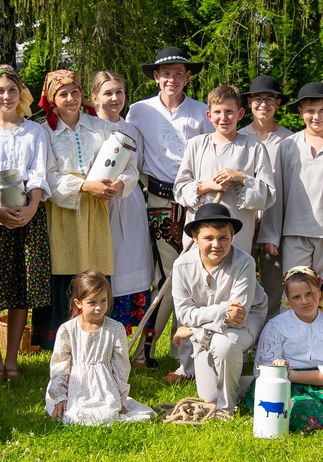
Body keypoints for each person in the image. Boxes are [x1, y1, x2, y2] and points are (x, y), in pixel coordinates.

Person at [34, 69, 136, 350]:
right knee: (66, 269)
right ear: (52, 99)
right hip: (64, 212)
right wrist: (84, 187)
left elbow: (128, 166)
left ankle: (98, 337)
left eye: (75, 92)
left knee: (95, 269)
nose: (70, 98)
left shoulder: (101, 127)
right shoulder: (45, 131)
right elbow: (48, 175)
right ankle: (63, 342)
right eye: (63, 93)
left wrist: (116, 184)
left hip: (96, 212)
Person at [125, 46, 212, 372]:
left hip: (196, 200)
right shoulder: (139, 111)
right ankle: (146, 349)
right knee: (168, 275)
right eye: (166, 73)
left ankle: (185, 351)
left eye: (178, 73)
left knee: (192, 274)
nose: (171, 79)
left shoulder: (202, 111)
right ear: (156, 77)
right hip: (159, 199)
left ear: (187, 76)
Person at [0, 64, 51, 377]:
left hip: (28, 212)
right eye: (0, 90)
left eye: (12, 90)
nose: (6, 96)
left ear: (21, 93)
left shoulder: (34, 130)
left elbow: (40, 170)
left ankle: (13, 359)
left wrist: (31, 206)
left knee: (21, 287)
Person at [258, 81, 323, 321]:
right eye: (310, 110)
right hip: (295, 232)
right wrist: (271, 234)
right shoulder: (288, 146)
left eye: (322, 110)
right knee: (293, 293)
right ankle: (291, 347)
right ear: (300, 112)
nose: (316, 116)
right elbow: (277, 193)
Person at [244, 266, 323, 431]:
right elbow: (264, 370)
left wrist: (293, 374)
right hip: (286, 385)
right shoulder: (276, 326)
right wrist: (279, 367)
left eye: (309, 294)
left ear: (319, 292)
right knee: (298, 407)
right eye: (296, 297)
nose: (304, 301)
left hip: (322, 385)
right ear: (288, 300)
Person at [172, 203, 268, 419]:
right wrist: (223, 310)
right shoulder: (181, 266)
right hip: (209, 325)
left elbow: (238, 316)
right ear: (195, 238)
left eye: (223, 238)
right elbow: (184, 314)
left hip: (246, 320)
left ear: (232, 236)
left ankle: (227, 409)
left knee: (225, 343)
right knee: (208, 395)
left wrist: (196, 331)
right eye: (209, 238)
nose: (216, 244)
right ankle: (264, 382)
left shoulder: (245, 262)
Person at [89, 71, 154, 344]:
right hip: (93, 205)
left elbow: (135, 169)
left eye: (119, 92)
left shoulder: (132, 130)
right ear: (94, 98)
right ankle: (96, 337)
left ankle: (128, 339)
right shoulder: (87, 128)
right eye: (108, 93)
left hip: (127, 202)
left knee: (129, 262)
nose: (115, 98)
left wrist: (120, 184)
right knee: (100, 266)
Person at [45, 270, 157, 425]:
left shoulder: (115, 329)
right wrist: (60, 397)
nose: (99, 307)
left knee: (107, 415)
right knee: (73, 416)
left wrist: (121, 397)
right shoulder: (68, 330)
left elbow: (121, 366)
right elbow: (59, 365)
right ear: (79, 303)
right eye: (92, 302)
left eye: (103, 301)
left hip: (104, 388)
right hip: (75, 387)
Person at [173, 83, 274, 254]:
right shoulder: (195, 145)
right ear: (209, 115)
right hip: (201, 231)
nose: (224, 117)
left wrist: (241, 177)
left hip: (237, 232)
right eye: (217, 112)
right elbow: (179, 189)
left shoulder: (254, 147)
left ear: (240, 113)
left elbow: (268, 193)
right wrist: (207, 185)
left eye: (229, 111)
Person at [241, 75, 294, 317]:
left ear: (278, 103)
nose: (264, 104)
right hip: (244, 218)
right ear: (250, 102)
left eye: (270, 99)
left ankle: (270, 339)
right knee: (242, 279)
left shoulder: (289, 140)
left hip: (276, 220)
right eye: (258, 99)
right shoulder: (239, 136)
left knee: (274, 283)